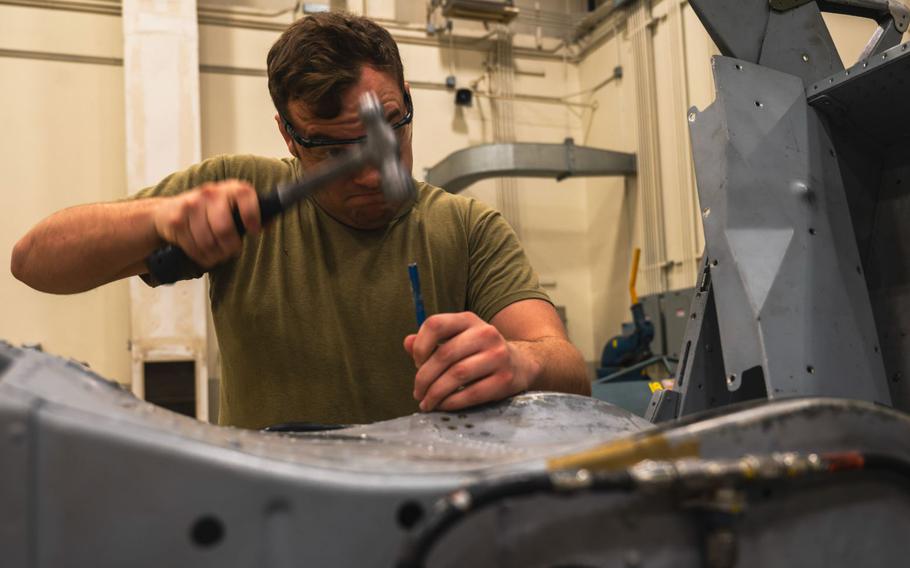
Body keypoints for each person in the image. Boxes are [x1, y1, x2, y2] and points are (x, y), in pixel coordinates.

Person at [10, 12, 590, 429]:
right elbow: (35, 262)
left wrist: (518, 360)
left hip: (425, 517)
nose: (371, 170)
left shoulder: (468, 228)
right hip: (272, 520)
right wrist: (162, 218)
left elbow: (568, 368)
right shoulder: (242, 193)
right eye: (336, 152)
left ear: (408, 98)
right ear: (288, 134)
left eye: (391, 129)